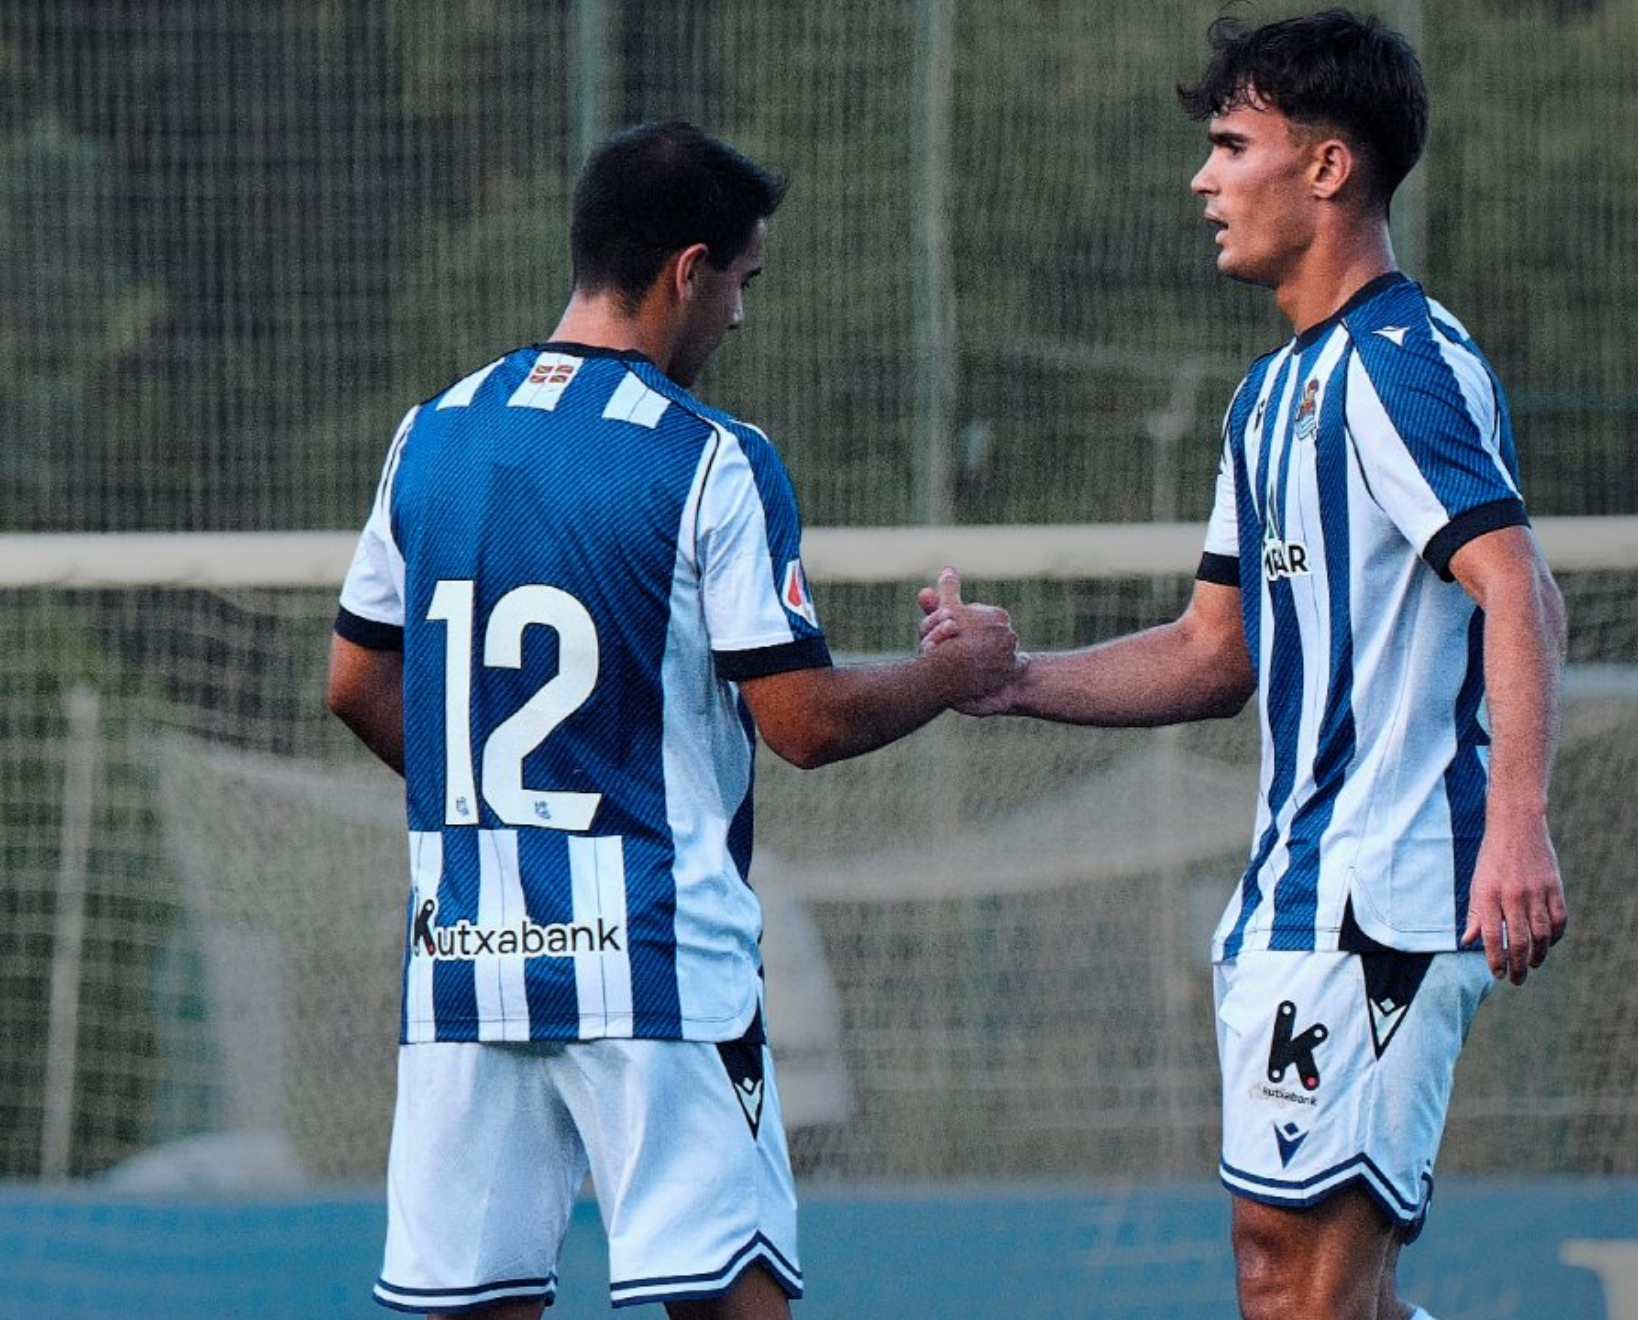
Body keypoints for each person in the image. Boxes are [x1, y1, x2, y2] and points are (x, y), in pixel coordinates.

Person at [921, 13, 1567, 1320]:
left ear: (1326, 170)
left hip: (1389, 891)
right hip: (1290, 894)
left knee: (1312, 1293)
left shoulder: (1400, 366)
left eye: (1231, 146)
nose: (1202, 180)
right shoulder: (1270, 398)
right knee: (1280, 1278)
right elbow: (1213, 653)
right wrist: (1019, 678)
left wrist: (1517, 829)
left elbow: (1523, 589)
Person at [327, 120, 1018, 1320]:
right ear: (688, 270)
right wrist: (955, 674)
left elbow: (352, 684)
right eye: (743, 282)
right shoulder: (710, 459)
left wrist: (496, 820)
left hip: (464, 967)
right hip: (654, 964)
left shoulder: (429, 432)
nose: (740, 317)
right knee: (729, 1304)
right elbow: (802, 720)